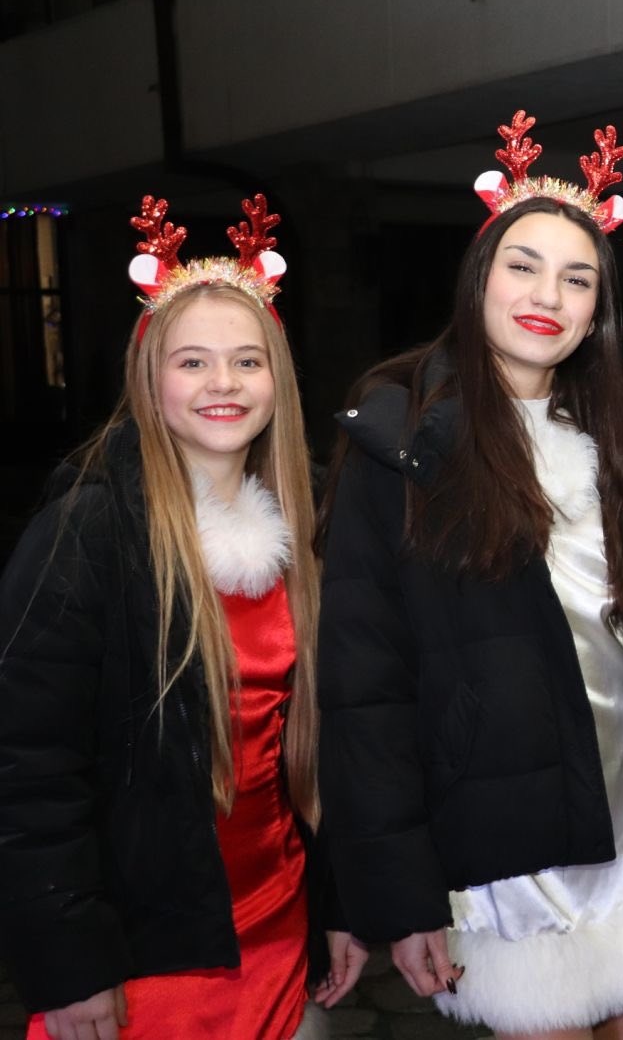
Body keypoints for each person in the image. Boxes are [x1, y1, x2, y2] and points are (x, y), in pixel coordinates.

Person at [316, 113, 623, 1040]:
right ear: (479, 278)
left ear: (599, 310)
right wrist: (397, 890)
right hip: (502, 843)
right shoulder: (402, 441)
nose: (547, 296)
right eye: (523, 266)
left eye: (577, 278)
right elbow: (366, 688)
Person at [0, 194, 364, 1039]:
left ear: (278, 378)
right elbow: (27, 768)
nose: (223, 384)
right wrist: (72, 961)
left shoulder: (309, 532)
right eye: (192, 361)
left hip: (276, 924)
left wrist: (339, 902)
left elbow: (335, 748)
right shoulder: (88, 532)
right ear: (148, 378)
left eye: (247, 360)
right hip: (144, 955)